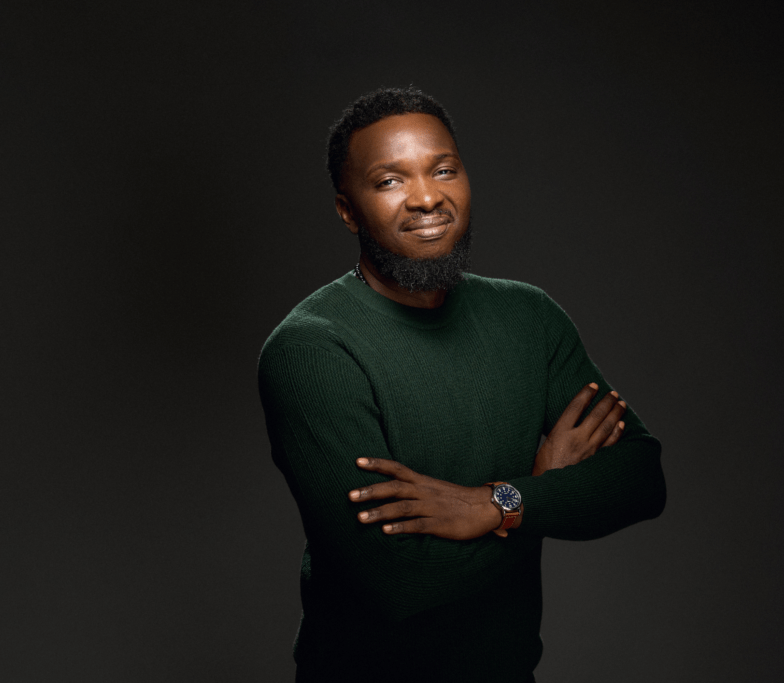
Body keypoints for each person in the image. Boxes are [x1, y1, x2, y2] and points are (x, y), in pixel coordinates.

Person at [257, 87, 665, 682]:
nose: (427, 197)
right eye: (390, 181)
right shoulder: (312, 350)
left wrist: (496, 503)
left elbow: (642, 478)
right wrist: (537, 498)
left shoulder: (529, 318)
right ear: (348, 211)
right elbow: (396, 581)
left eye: (443, 170)